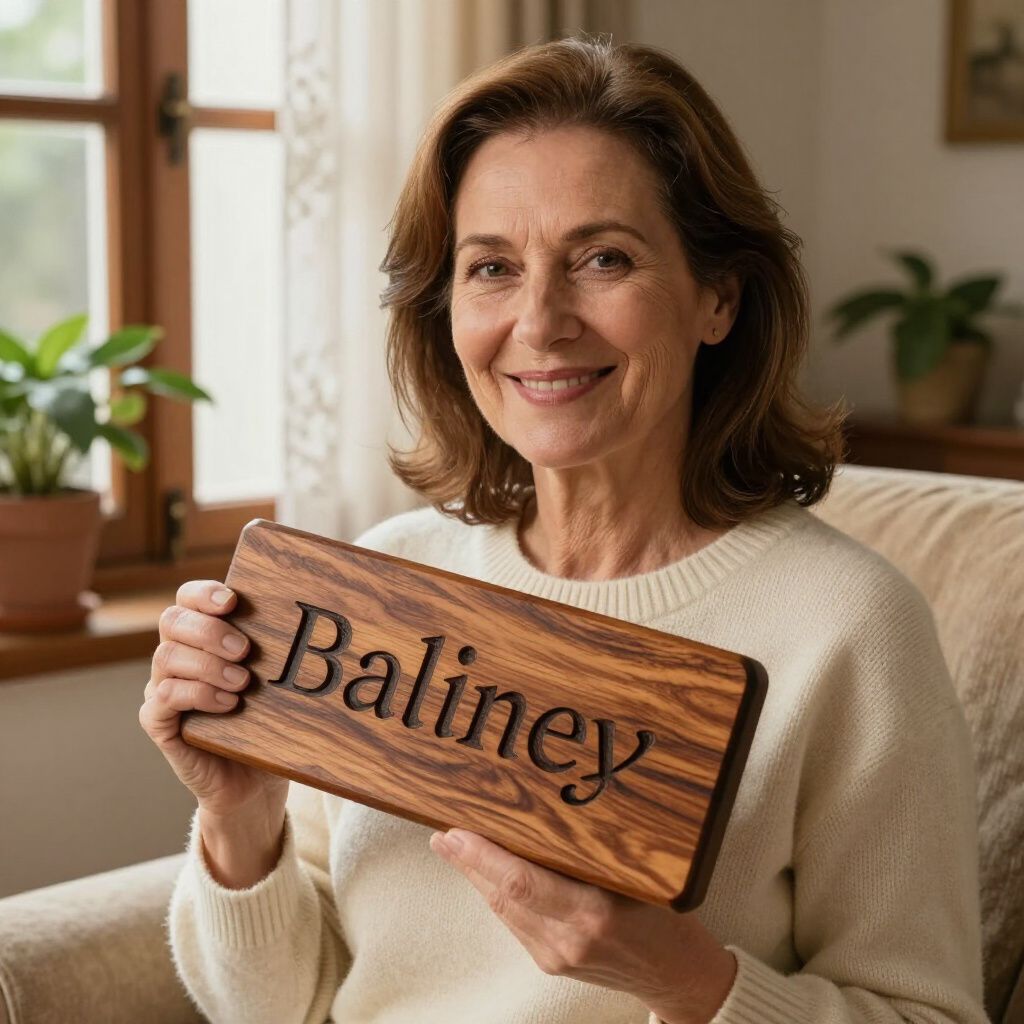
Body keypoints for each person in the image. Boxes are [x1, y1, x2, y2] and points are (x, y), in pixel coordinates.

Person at [141, 34, 988, 1024]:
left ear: (718, 296)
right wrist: (240, 820)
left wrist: (686, 980)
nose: (540, 322)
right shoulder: (383, 585)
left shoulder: (849, 627)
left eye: (602, 258)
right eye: (491, 267)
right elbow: (278, 1006)